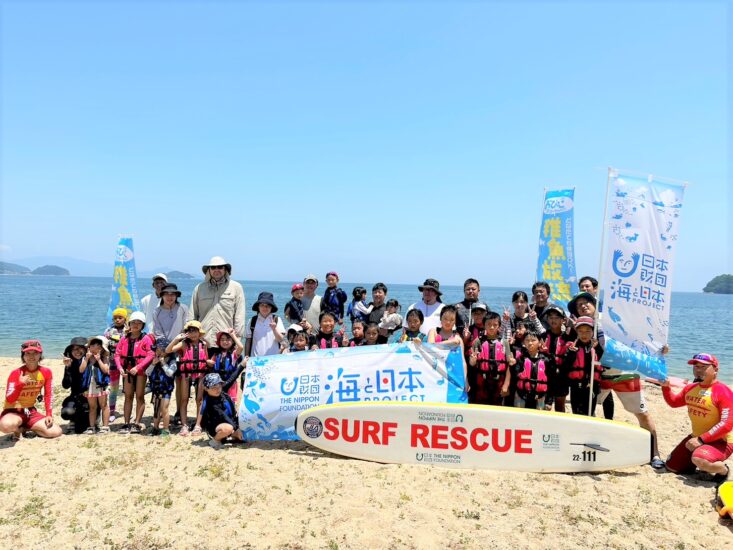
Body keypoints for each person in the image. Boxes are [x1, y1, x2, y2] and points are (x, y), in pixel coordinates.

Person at [567, 290, 665, 468]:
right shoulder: (578, 327)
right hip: (598, 377)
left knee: (642, 413)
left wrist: (659, 347)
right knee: (589, 414)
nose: (582, 306)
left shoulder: (612, 318)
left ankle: (654, 453)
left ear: (595, 304)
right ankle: (593, 451)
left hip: (624, 373)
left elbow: (640, 333)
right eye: (578, 304)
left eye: (586, 302)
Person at [663, 354, 733, 485]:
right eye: (696, 367)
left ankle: (723, 470)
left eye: (704, 367)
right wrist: (666, 387)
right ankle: (697, 459)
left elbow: (727, 424)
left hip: (721, 441)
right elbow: (674, 403)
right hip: (696, 437)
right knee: (672, 467)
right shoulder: (690, 388)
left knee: (700, 460)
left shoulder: (723, 392)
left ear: (716, 370)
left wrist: (701, 440)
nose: (698, 370)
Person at [0, 340, 62, 440]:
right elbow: (10, 399)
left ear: (40, 355)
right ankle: (17, 430)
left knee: (56, 431)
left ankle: (25, 427)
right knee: (5, 426)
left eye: (35, 353)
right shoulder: (16, 373)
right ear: (23, 356)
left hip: (30, 412)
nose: (31, 356)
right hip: (13, 411)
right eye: (27, 353)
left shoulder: (46, 372)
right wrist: (20, 384)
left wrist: (49, 414)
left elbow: (48, 395)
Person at [191, 256, 245, 351]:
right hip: (203, 341)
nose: (217, 269)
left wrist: (237, 340)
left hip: (226, 343)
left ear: (225, 269)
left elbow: (239, 316)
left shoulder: (236, 287)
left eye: (220, 267)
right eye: (213, 267)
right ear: (209, 270)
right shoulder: (199, 288)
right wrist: (191, 338)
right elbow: (192, 315)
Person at [115, 311, 155, 434]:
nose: (136, 325)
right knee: (128, 396)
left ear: (143, 325)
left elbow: (151, 354)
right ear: (129, 324)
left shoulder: (146, 339)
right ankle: (126, 423)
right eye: (133, 323)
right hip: (127, 371)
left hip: (140, 372)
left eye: (139, 323)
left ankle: (137, 423)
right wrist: (120, 368)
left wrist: (139, 367)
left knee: (139, 396)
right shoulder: (124, 339)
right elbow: (117, 354)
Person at [167, 320, 209, 436]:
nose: (193, 334)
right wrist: (176, 339)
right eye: (190, 331)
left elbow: (206, 358)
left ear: (199, 332)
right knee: (184, 399)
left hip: (200, 374)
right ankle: (184, 425)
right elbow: (168, 350)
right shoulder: (184, 344)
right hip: (186, 375)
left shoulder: (204, 344)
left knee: (199, 400)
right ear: (187, 333)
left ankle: (198, 425)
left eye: (195, 331)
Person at [467, 311, 515, 405]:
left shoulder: (504, 342)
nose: (492, 327)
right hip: (481, 384)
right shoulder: (478, 342)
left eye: (495, 325)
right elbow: (471, 363)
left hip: (499, 384)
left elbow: (509, 365)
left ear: (499, 326)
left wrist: (506, 385)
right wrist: (472, 361)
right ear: (484, 325)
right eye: (488, 324)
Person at [563, 316, 603, 416]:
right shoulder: (572, 346)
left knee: (589, 411)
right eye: (580, 331)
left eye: (588, 331)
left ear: (593, 332)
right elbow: (566, 366)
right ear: (576, 331)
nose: (584, 334)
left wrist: (597, 348)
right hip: (576, 385)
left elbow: (603, 363)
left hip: (592, 386)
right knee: (576, 412)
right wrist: (571, 354)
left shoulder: (597, 347)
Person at [201, 369, 247, 450]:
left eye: (219, 385)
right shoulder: (211, 403)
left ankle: (232, 435)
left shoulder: (222, 390)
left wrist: (241, 365)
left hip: (228, 422)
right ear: (206, 389)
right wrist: (236, 428)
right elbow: (224, 416)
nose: (217, 389)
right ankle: (215, 441)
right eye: (214, 387)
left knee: (244, 432)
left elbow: (232, 379)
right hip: (216, 427)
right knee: (228, 428)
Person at [79, 336, 111, 434]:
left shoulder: (104, 358)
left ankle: (105, 426)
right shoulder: (86, 358)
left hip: (101, 385)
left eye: (97, 345)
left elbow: (106, 370)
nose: (94, 347)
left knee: (104, 405)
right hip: (90, 385)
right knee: (92, 407)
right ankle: (91, 427)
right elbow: (81, 370)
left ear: (101, 348)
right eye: (92, 344)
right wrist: (87, 359)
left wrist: (99, 360)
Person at [541, 305, 569, 412]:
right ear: (547, 319)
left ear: (562, 320)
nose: (553, 320)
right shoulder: (543, 336)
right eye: (550, 317)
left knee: (560, 405)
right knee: (545, 405)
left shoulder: (567, 337)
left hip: (561, 376)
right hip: (545, 374)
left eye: (557, 317)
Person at [146, 338, 176, 436]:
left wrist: (163, 363)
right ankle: (155, 427)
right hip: (156, 388)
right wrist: (153, 364)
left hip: (166, 388)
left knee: (164, 409)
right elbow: (147, 373)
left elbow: (170, 373)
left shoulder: (172, 360)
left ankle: (166, 429)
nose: (160, 352)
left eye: (162, 349)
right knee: (156, 409)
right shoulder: (154, 359)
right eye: (158, 349)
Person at [513, 331, 550, 410]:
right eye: (527, 340)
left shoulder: (546, 359)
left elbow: (551, 380)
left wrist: (549, 401)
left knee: (538, 420)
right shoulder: (520, 359)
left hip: (540, 395)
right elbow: (515, 375)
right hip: (522, 394)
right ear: (523, 343)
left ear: (540, 342)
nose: (530, 343)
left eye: (533, 340)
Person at [61, 336, 90, 434]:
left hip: (91, 397)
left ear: (86, 350)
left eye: (79, 348)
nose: (77, 352)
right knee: (66, 412)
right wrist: (68, 368)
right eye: (74, 349)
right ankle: (73, 419)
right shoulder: (71, 363)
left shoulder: (92, 362)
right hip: (75, 396)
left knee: (82, 427)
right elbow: (65, 385)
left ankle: (95, 417)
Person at [104, 308, 127, 423]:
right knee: (113, 388)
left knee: (127, 389)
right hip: (113, 363)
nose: (117, 320)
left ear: (125, 318)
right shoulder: (109, 331)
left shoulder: (128, 330)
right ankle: (112, 411)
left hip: (126, 364)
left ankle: (127, 411)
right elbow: (104, 346)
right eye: (115, 318)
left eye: (120, 317)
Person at [207, 330, 244, 401]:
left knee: (229, 402)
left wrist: (233, 335)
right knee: (218, 402)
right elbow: (211, 365)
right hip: (218, 383)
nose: (225, 342)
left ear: (233, 341)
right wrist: (208, 362)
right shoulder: (216, 353)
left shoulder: (234, 354)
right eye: (222, 339)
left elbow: (241, 347)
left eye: (228, 339)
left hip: (230, 382)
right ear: (219, 341)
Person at [245, 292, 286, 357]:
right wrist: (246, 356)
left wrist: (274, 329)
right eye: (262, 305)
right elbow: (248, 340)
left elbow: (281, 340)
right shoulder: (252, 321)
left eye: (268, 305)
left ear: (271, 307)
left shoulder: (277, 320)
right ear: (258, 306)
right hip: (255, 359)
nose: (265, 308)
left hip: (274, 358)